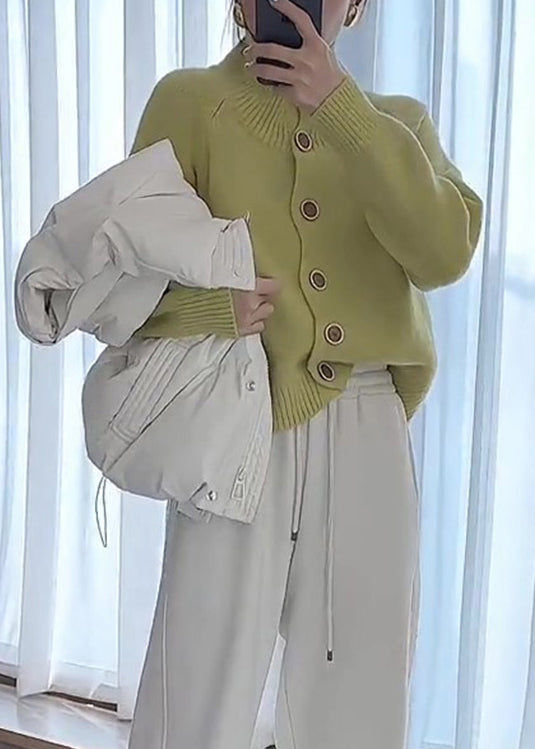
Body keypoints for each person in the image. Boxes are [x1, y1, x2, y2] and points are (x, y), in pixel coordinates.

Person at [126, 1, 483, 748]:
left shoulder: (398, 123)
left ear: (354, 5)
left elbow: (444, 253)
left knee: (361, 691)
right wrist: (210, 306)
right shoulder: (189, 104)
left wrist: (342, 110)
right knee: (198, 683)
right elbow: (124, 271)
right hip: (234, 411)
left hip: (367, 423)